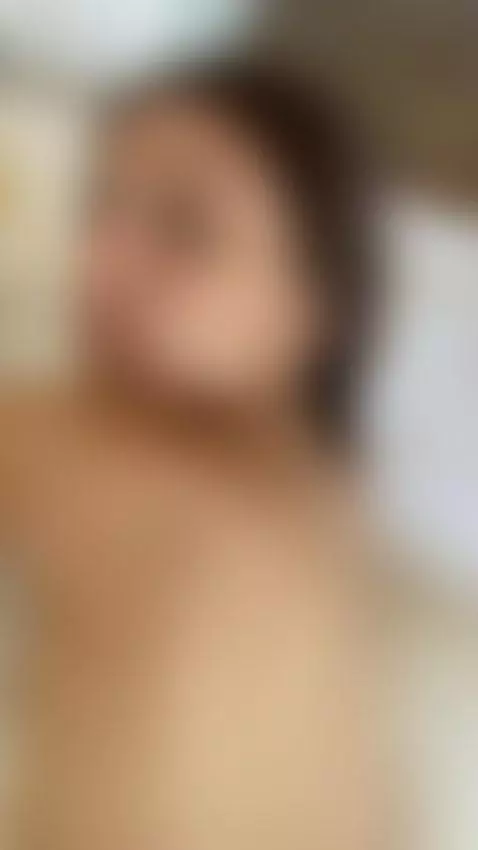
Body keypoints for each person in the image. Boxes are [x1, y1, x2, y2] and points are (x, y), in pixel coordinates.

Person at [0, 59, 387, 849]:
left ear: (313, 303)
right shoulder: (327, 501)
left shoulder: (156, 479)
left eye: (186, 230)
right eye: (102, 209)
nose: (100, 264)